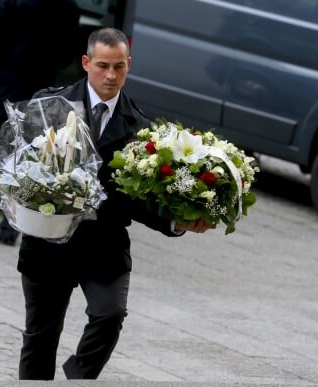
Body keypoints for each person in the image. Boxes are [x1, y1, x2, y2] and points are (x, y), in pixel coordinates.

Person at [17, 27, 214, 380]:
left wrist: (176, 222)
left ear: (128, 65)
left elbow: (141, 201)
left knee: (110, 315)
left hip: (103, 245)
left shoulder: (143, 129)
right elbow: (20, 166)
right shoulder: (51, 107)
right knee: (40, 339)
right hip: (48, 243)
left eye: (119, 67)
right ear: (86, 63)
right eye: (103, 66)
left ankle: (78, 376)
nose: (111, 76)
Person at [0, 0, 80, 245]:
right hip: (37, 89)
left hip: (3, 85)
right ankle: (10, 227)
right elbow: (69, 49)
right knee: (26, 158)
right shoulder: (66, 7)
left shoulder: (9, 2)